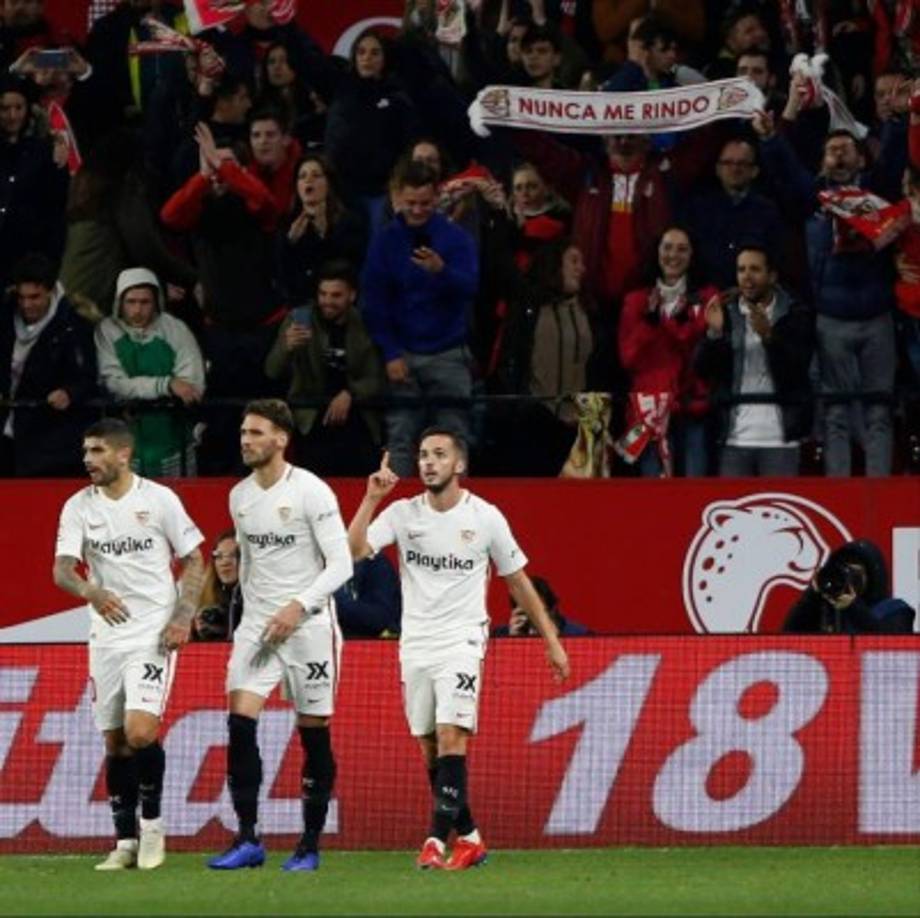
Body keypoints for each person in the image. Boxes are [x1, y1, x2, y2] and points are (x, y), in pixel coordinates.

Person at [347, 429, 570, 870]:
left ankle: (434, 840)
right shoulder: (402, 513)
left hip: (463, 640)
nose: (429, 462)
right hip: (416, 642)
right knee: (431, 746)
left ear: (459, 465)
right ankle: (468, 837)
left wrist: (551, 640)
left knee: (452, 736)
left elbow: (517, 580)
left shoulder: (485, 518)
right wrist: (371, 497)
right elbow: (353, 551)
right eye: (425, 455)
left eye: (439, 455)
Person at [51, 418, 205, 870]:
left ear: (123, 454)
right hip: (105, 639)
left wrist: (182, 615)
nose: (88, 460)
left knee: (141, 732)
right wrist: (91, 593)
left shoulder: (159, 500)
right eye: (85, 451)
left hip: (152, 633)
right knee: (116, 744)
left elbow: (195, 559)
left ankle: (153, 827)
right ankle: (124, 842)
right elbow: (62, 569)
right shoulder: (78, 506)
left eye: (97, 451)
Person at [208, 399, 353, 872]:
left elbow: (342, 565)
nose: (245, 440)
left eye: (255, 433)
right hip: (258, 628)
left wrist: (298, 605)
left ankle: (309, 845)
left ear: (281, 439)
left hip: (308, 627)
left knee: (313, 732)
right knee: (239, 721)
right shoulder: (239, 496)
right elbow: (248, 561)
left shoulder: (312, 492)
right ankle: (248, 837)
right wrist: (247, 613)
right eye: (243, 432)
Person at [361, 161, 478, 476]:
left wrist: (443, 272)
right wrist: (390, 352)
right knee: (400, 439)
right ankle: (397, 516)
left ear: (438, 195)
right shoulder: (384, 242)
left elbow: (470, 287)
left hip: (449, 353)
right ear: (397, 197)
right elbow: (374, 303)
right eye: (410, 203)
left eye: (425, 204)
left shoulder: (455, 239)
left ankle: (457, 515)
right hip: (403, 355)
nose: (417, 210)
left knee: (454, 438)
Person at [695, 245, 814, 477]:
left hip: (781, 441)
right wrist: (714, 334)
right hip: (734, 439)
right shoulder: (726, 313)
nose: (747, 277)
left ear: (772, 275)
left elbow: (799, 368)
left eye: (755, 269)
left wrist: (769, 337)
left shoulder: (795, 313)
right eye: (741, 270)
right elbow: (702, 369)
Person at [264, 260, 385, 477]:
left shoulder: (365, 323)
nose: (327, 301)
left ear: (352, 296)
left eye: (336, 296)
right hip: (312, 416)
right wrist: (286, 348)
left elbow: (376, 377)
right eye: (323, 294)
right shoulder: (299, 319)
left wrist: (350, 393)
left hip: (357, 416)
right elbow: (271, 371)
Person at [95, 266, 205, 477]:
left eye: (145, 302)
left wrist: (174, 387)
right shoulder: (106, 331)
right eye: (131, 302)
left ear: (156, 302)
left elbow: (192, 385)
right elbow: (114, 384)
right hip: (122, 448)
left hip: (174, 445)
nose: (138, 309)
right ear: (120, 302)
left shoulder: (175, 329)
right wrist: (166, 385)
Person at [0, 252, 97, 476]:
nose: (27, 304)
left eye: (35, 297)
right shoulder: (5, 317)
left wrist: (69, 393)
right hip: (6, 432)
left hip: (47, 441)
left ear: (52, 291)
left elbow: (87, 377)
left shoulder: (73, 326)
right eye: (22, 297)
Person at [782, 539, 916, 634]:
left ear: (872, 576)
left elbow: (889, 646)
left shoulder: (896, 610)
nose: (847, 580)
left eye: (854, 574)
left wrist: (853, 608)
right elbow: (789, 637)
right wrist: (812, 596)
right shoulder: (827, 613)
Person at [493, 575, 590, 636]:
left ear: (552, 610)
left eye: (539, 612)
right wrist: (510, 643)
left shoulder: (579, 635)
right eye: (528, 613)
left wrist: (558, 640)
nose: (535, 619)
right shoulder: (496, 638)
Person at [193, 530, 242, 642]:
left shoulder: (259, 599)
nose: (225, 562)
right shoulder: (203, 597)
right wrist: (195, 631)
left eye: (233, 555)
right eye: (219, 556)